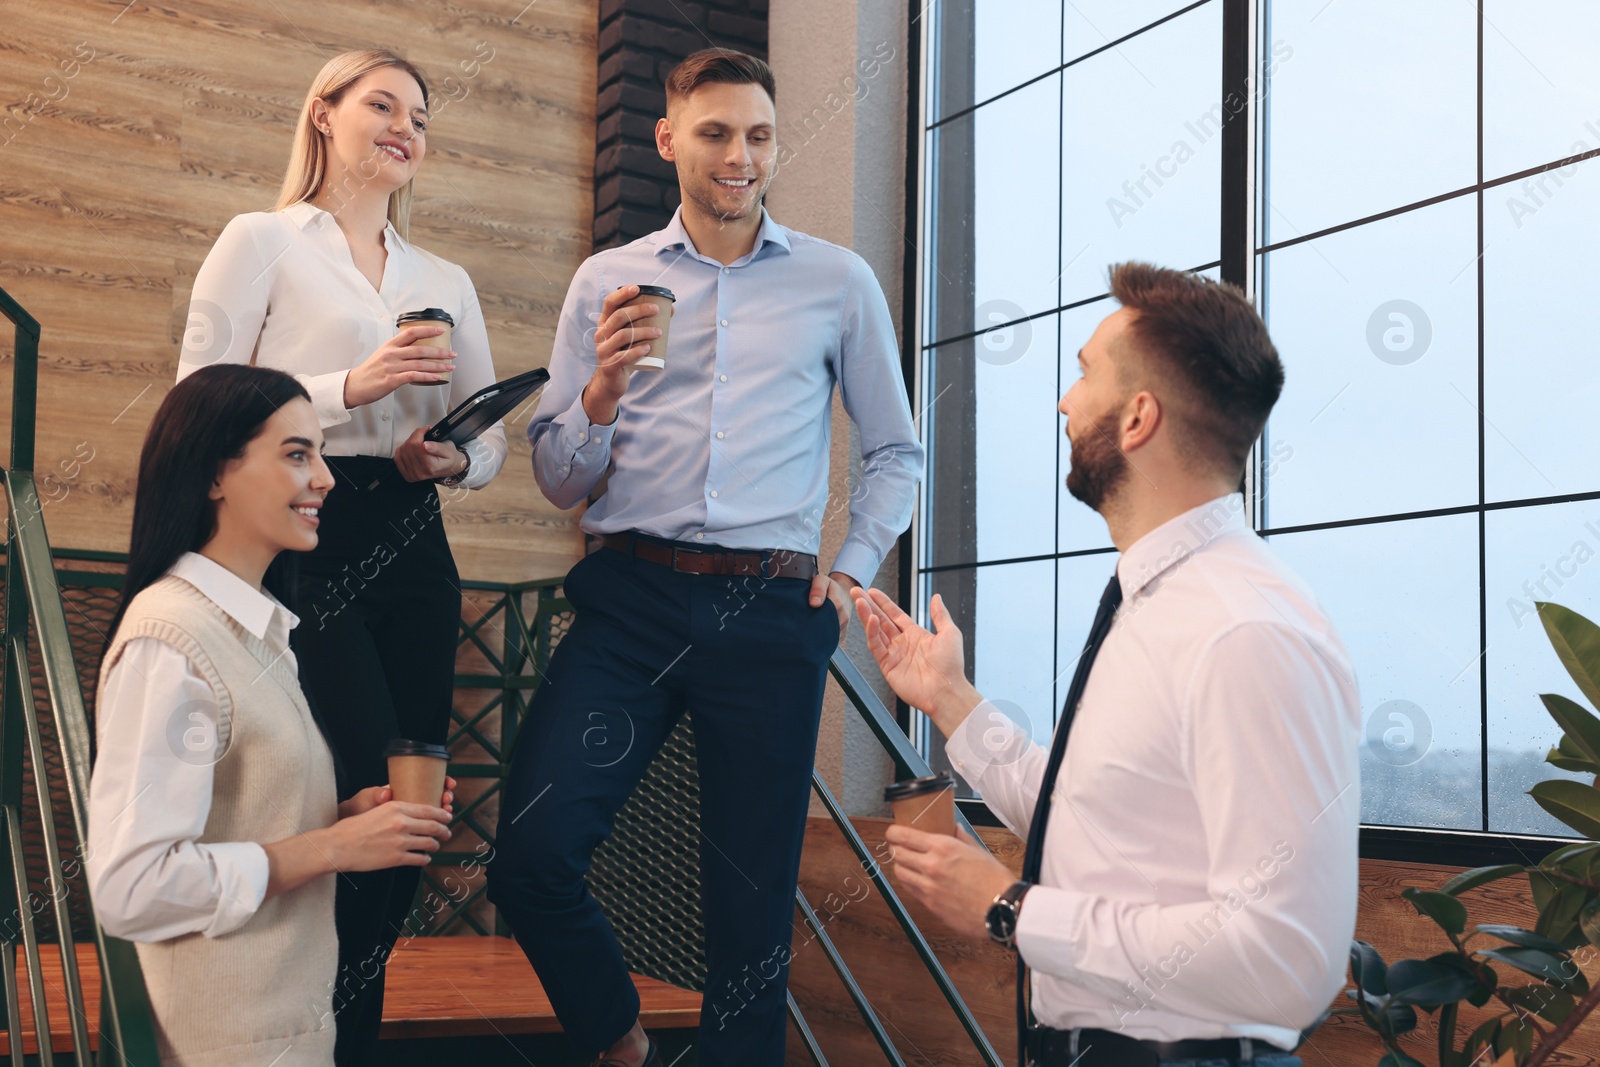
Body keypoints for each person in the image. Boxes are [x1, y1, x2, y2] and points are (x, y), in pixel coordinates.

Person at [486, 47, 924, 1067]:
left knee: (749, 915)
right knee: (533, 852)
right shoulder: (608, 279)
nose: (740, 155)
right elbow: (557, 475)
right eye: (718, 132)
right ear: (669, 136)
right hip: (629, 600)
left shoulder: (838, 281)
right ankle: (620, 1040)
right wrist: (599, 391)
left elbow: (898, 447)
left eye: (759, 135)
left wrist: (851, 567)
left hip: (770, 616)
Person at [852, 263, 1361, 1067]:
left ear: (1137, 418)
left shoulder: (1243, 629)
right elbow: (1093, 822)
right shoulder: (1154, 602)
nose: (1064, 399)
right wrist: (948, 697)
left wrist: (1009, 907)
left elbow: (1291, 964)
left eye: (1085, 372)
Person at [174, 49, 508, 1065]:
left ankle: (339, 1031)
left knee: (412, 809)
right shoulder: (262, 240)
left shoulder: (443, 278)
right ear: (323, 113)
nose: (407, 126)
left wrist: (455, 453)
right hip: (304, 532)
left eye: (420, 115)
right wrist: (346, 388)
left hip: (413, 528)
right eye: (382, 104)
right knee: (350, 788)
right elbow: (197, 397)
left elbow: (490, 438)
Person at [87, 365, 454, 1067]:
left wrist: (346, 818)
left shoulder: (258, 634)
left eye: (319, 452)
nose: (327, 478)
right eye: (297, 453)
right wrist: (332, 850)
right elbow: (132, 888)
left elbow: (239, 820)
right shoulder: (172, 643)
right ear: (215, 473)